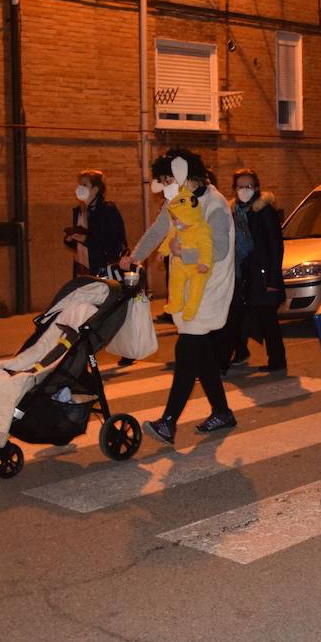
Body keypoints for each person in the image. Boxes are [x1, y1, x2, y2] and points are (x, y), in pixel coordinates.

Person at [120, 149, 237, 444]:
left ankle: (168, 421)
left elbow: (220, 249)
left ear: (184, 173)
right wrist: (135, 257)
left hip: (209, 287)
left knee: (187, 350)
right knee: (201, 354)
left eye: (166, 178)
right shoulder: (177, 200)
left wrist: (185, 252)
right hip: (187, 287)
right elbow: (158, 230)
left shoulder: (215, 204)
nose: (164, 185)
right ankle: (222, 412)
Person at [226, 168, 287, 374]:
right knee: (234, 316)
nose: (244, 190)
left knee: (267, 320)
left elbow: (275, 246)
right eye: (240, 186)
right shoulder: (233, 212)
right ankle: (239, 352)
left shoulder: (264, 211)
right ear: (234, 189)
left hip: (261, 275)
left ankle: (277, 360)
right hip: (242, 274)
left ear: (257, 188)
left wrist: (273, 279)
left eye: (249, 186)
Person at [63, 169, 127, 277]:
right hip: (84, 268)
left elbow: (114, 242)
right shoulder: (79, 211)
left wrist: (86, 239)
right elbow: (81, 245)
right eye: (80, 184)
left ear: (95, 189)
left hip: (103, 268)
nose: (80, 187)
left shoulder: (108, 210)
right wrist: (70, 240)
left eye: (84, 184)